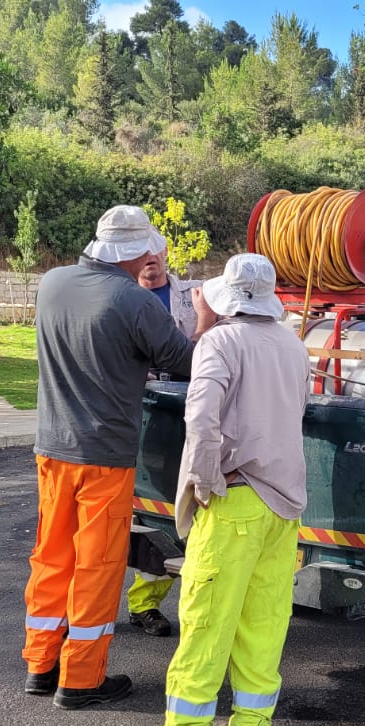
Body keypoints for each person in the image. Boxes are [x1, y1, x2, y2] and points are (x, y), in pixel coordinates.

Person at [132, 253, 309, 726]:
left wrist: (205, 482)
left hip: (235, 503)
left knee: (207, 619)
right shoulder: (293, 347)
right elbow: (297, 412)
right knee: (264, 622)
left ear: (227, 297)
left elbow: (201, 420)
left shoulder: (220, 342)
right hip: (283, 507)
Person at [22, 205, 193, 709]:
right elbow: (184, 359)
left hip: (53, 448)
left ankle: (41, 665)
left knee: (52, 556)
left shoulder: (52, 283)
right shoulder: (134, 301)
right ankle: (81, 679)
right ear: (140, 251)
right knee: (96, 564)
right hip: (105, 456)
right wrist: (211, 327)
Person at [125, 249, 212, 637]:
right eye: (141, 253)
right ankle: (143, 604)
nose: (150, 259)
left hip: (195, 416)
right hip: (147, 418)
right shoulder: (125, 301)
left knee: (191, 512)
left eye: (155, 251)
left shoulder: (195, 294)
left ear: (163, 253)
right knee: (154, 516)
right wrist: (204, 324)